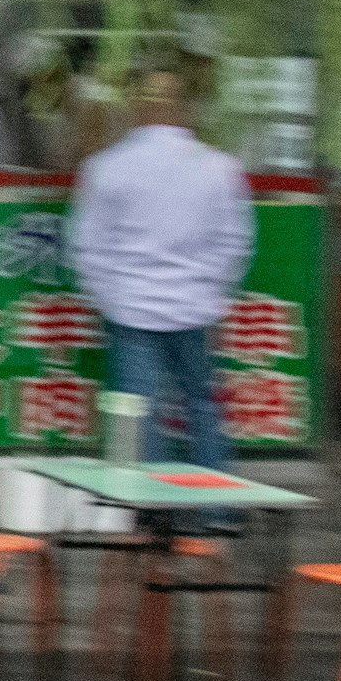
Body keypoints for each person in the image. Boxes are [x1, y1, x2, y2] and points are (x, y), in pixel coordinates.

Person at [71, 52, 258, 473]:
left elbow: (86, 248)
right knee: (202, 407)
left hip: (131, 311)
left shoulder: (106, 168)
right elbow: (235, 243)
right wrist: (211, 293)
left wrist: (112, 298)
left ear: (138, 109)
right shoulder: (219, 168)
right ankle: (215, 512)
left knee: (138, 414)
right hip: (195, 312)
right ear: (186, 110)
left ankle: (155, 516)